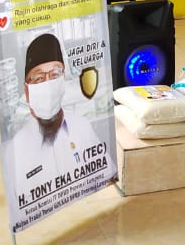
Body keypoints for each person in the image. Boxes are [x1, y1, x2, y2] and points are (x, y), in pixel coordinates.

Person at [9, 32, 111, 205]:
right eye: (39, 78)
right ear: (27, 91)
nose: (48, 84)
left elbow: (106, 178)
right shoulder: (18, 146)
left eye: (55, 74)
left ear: (63, 80)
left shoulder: (81, 126)